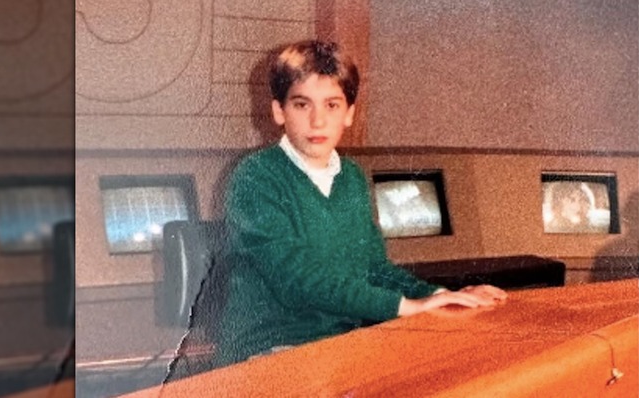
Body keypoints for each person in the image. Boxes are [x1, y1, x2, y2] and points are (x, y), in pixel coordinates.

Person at [214, 40, 507, 366]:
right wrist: (405, 306)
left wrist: (438, 295)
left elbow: (374, 270)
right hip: (268, 351)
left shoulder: (350, 177)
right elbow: (299, 281)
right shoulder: (256, 177)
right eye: (301, 105)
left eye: (332, 105)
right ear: (278, 111)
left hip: (341, 347)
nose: (317, 121)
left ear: (350, 113)